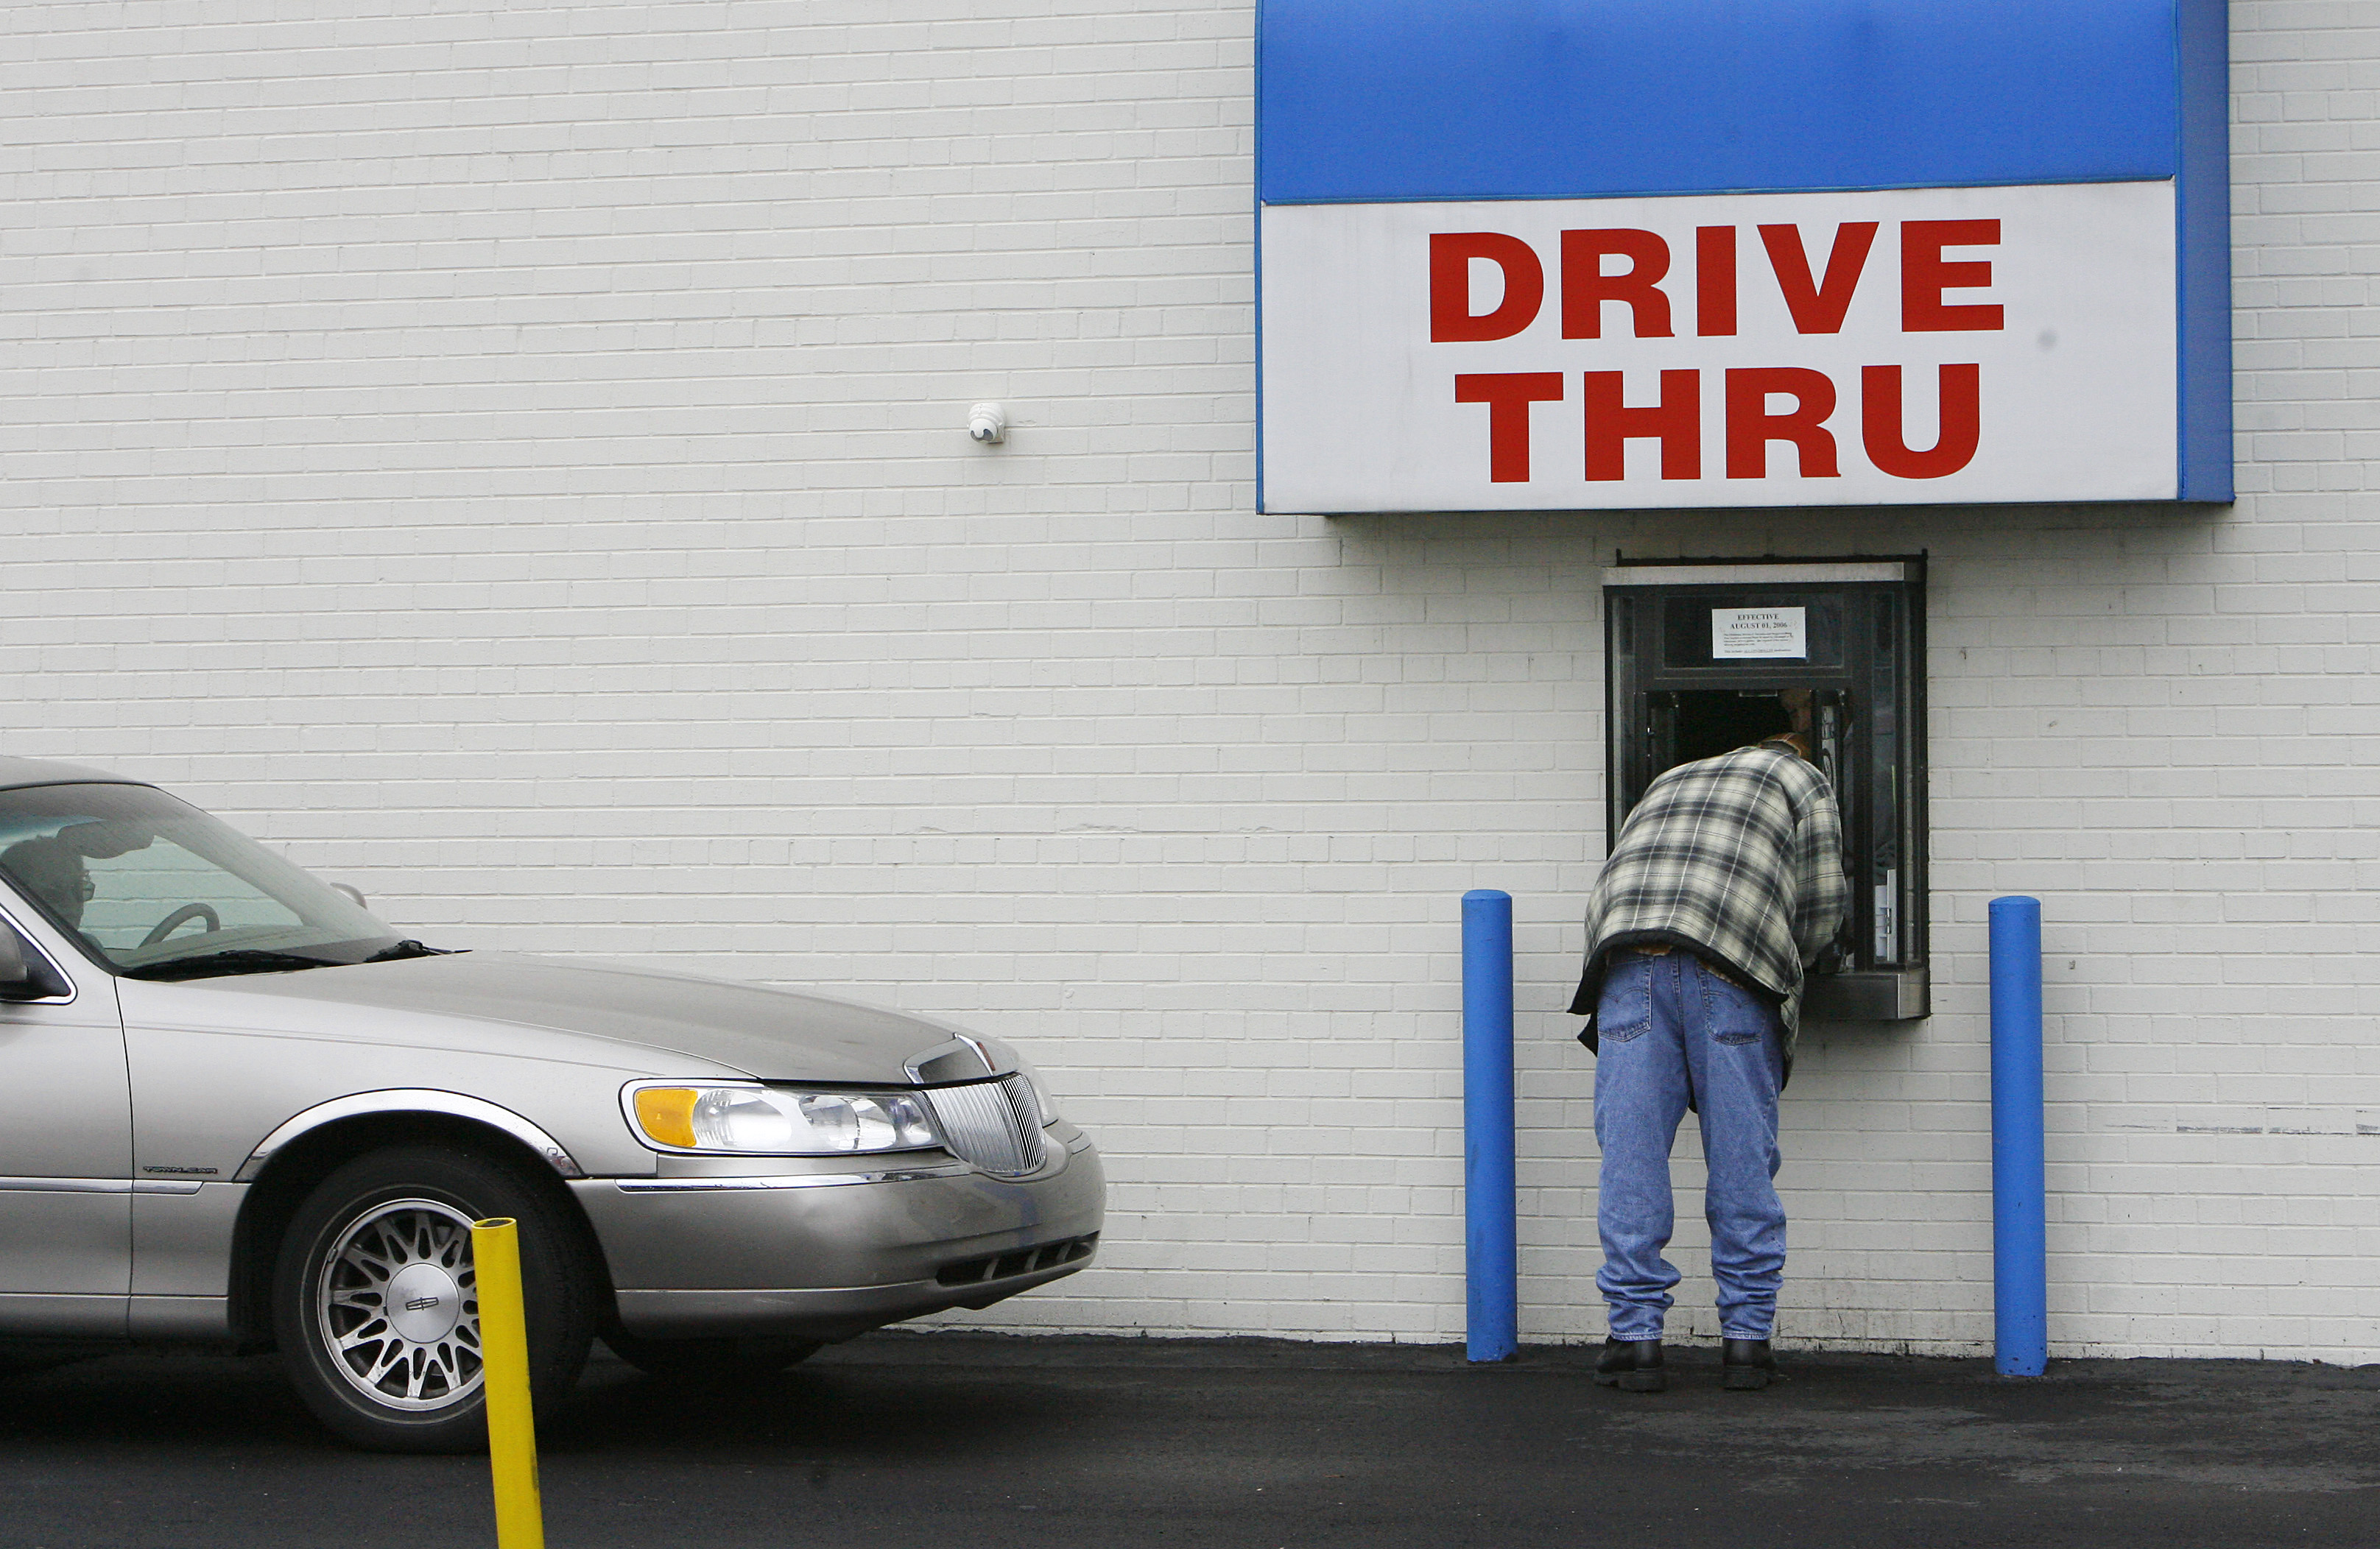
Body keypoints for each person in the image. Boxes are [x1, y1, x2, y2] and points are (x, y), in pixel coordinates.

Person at [1569, 694, 1847, 1392]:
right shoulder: (1801, 778)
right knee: (1741, 1160)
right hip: (1731, 967)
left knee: (1630, 1157)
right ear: (1792, 743)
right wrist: (1808, 957)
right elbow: (1818, 907)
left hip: (1627, 962)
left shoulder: (1671, 779)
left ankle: (1634, 1341)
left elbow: (1613, 879)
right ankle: (1747, 1344)